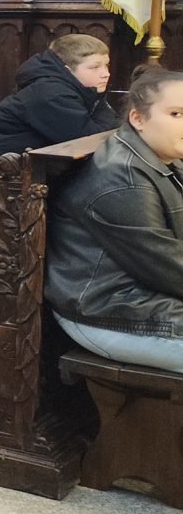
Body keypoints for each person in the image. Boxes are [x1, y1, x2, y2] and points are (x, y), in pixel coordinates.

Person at [45, 66, 183, 371]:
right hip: (107, 309)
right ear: (138, 118)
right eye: (176, 114)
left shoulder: (163, 155)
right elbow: (165, 266)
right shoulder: (123, 178)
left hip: (148, 295)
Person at [0, 34, 118, 156]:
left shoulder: (68, 88)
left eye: (106, 65)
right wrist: (102, 103)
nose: (106, 74)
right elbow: (91, 141)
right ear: (68, 70)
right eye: (95, 67)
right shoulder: (51, 94)